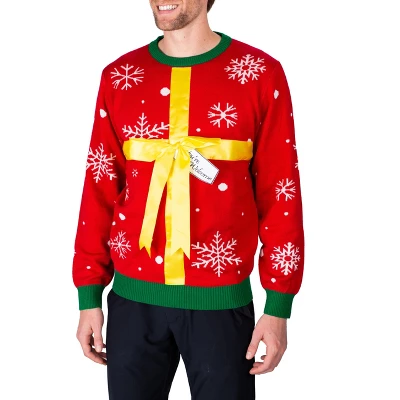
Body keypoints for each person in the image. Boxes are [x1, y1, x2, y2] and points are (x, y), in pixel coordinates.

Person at [73, 0, 305, 398]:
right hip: (131, 303)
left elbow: (280, 191)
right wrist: (88, 294)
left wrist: (278, 305)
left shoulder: (259, 73)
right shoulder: (120, 76)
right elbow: (99, 185)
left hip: (221, 303)